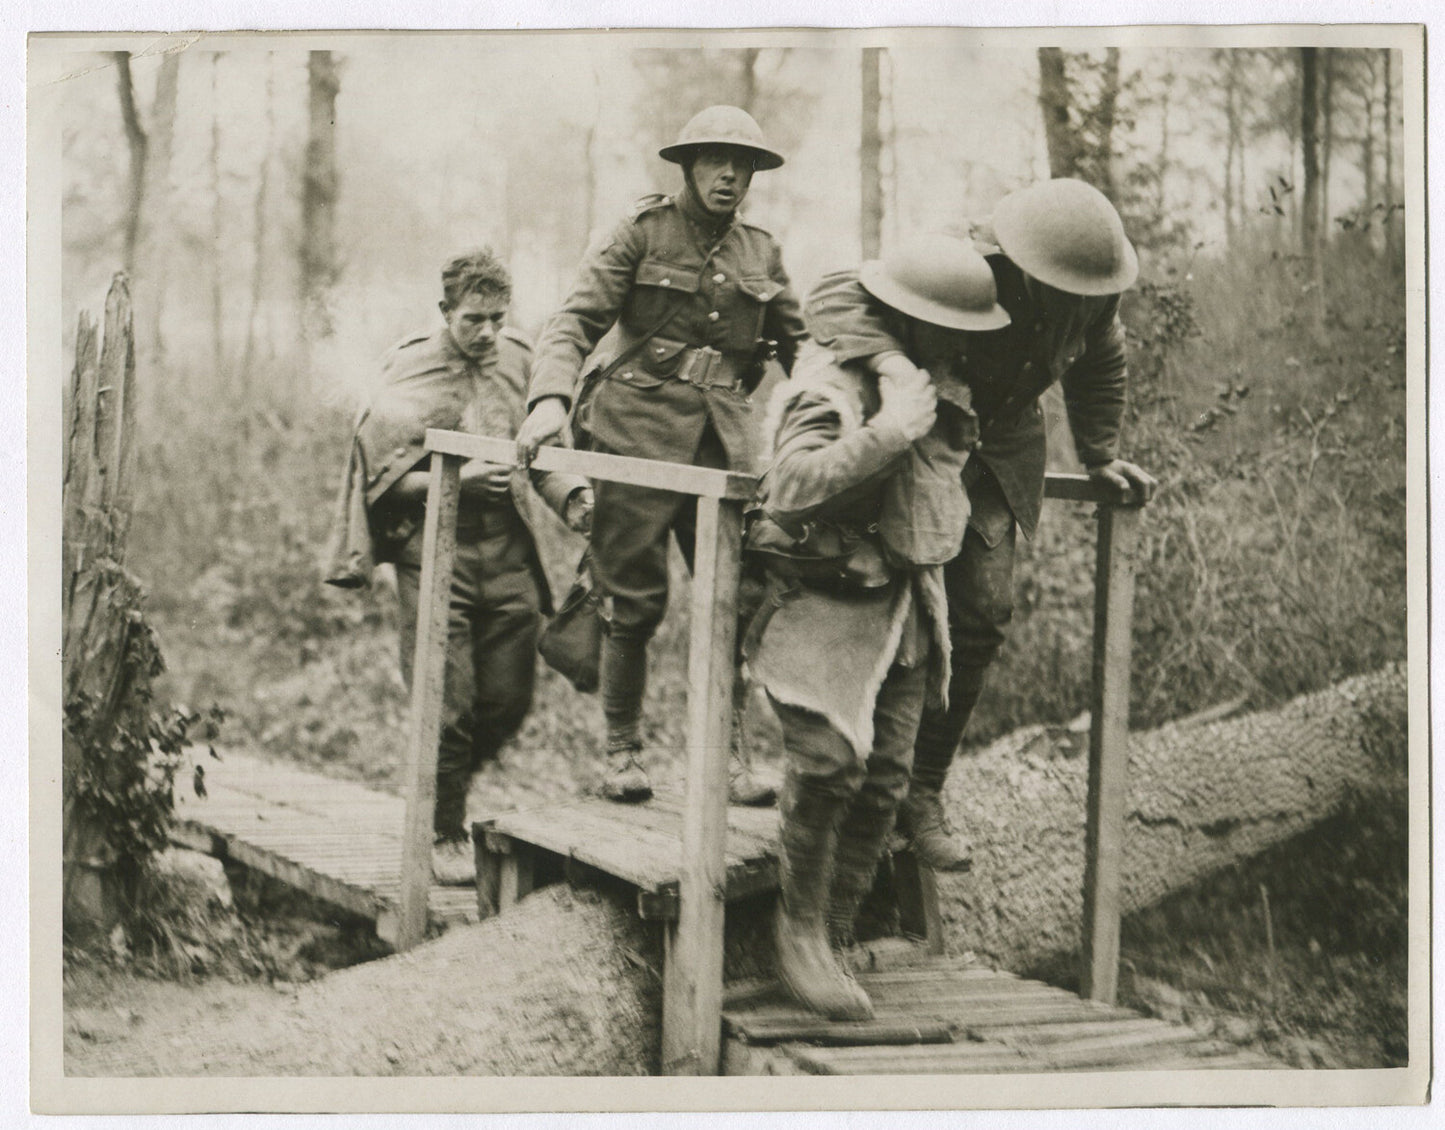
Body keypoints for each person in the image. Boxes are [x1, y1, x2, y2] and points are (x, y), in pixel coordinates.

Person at [805, 177, 1158, 873]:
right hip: (924, 439)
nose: (1080, 304)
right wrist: (892, 363)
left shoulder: (1095, 290)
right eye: (1065, 289)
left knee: (981, 617)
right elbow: (833, 295)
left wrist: (1100, 454)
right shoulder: (965, 258)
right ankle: (838, 782)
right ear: (1025, 267)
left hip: (998, 454)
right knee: (878, 612)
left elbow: (1101, 362)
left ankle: (921, 792)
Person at [746, 236, 1010, 1019]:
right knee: (828, 763)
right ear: (906, 319)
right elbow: (788, 487)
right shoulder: (831, 385)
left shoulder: (936, 382)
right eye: (945, 327)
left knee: (888, 777)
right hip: (819, 597)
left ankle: (830, 933)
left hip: (902, 601)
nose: (958, 344)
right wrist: (889, 430)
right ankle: (797, 934)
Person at [516, 105, 809, 804]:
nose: (730, 177)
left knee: (734, 602)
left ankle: (726, 759)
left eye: (742, 167)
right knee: (633, 602)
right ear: (687, 165)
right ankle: (621, 751)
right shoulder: (638, 234)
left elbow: (806, 350)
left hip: (724, 448)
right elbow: (573, 322)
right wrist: (548, 400)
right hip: (636, 436)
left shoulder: (760, 252)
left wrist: (846, 415)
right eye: (716, 161)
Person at [325, 248, 593, 885]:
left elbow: (547, 451)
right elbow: (379, 476)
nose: (488, 332)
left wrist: (576, 499)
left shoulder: (523, 362)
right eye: (474, 318)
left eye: (498, 317)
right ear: (445, 311)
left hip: (507, 553)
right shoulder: (409, 366)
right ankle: (443, 830)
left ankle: (440, 785)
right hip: (433, 552)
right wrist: (456, 480)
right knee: (446, 699)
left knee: (509, 698)